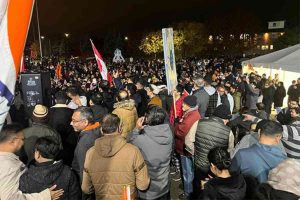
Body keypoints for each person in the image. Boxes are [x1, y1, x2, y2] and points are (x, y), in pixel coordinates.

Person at [81, 114, 150, 199]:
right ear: (120, 129)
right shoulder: (133, 151)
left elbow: (86, 188)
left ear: (102, 130)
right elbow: (143, 185)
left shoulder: (90, 153)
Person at [0, 124, 63, 200]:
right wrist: (44, 196)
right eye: (23, 139)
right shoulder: (9, 165)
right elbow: (10, 198)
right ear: (13, 141)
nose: (23, 143)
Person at [128, 106, 173, 200]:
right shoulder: (169, 133)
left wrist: (136, 129)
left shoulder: (140, 139)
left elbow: (129, 144)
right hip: (164, 184)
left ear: (146, 119)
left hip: (149, 189)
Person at [175, 95, 201, 199]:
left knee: (187, 172)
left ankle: (188, 193)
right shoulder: (193, 114)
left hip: (186, 149)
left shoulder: (191, 116)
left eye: (184, 104)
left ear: (189, 105)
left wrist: (176, 124)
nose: (182, 106)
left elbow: (180, 132)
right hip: (188, 148)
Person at [71, 107, 101, 182]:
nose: (71, 123)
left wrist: (85, 192)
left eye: (75, 121)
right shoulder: (97, 128)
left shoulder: (85, 142)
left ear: (85, 122)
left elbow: (84, 170)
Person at [49, 91, 76, 166]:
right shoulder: (73, 112)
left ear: (55, 100)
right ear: (67, 101)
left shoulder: (48, 111)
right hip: (69, 145)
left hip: (52, 145)